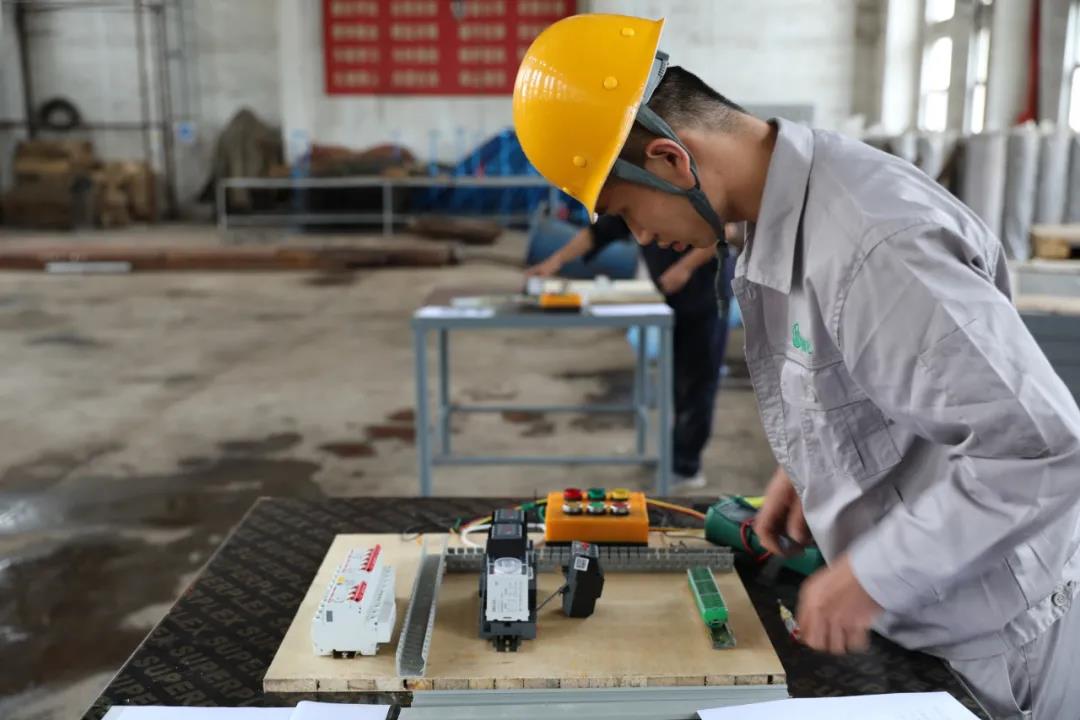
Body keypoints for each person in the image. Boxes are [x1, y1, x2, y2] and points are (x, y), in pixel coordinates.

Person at [512, 14, 1080, 719]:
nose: (644, 237)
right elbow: (868, 373)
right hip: (918, 618)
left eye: (626, 211)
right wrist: (812, 468)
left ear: (670, 160)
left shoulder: (877, 246)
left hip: (993, 644)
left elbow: (1042, 449)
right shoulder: (774, 212)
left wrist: (873, 575)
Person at [526, 215, 733, 489]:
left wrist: (684, 267)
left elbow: (726, 230)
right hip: (669, 295)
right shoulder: (633, 204)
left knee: (697, 382)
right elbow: (598, 232)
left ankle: (686, 467)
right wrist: (555, 261)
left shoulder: (691, 195)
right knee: (677, 382)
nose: (644, 237)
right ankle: (675, 456)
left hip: (707, 295)